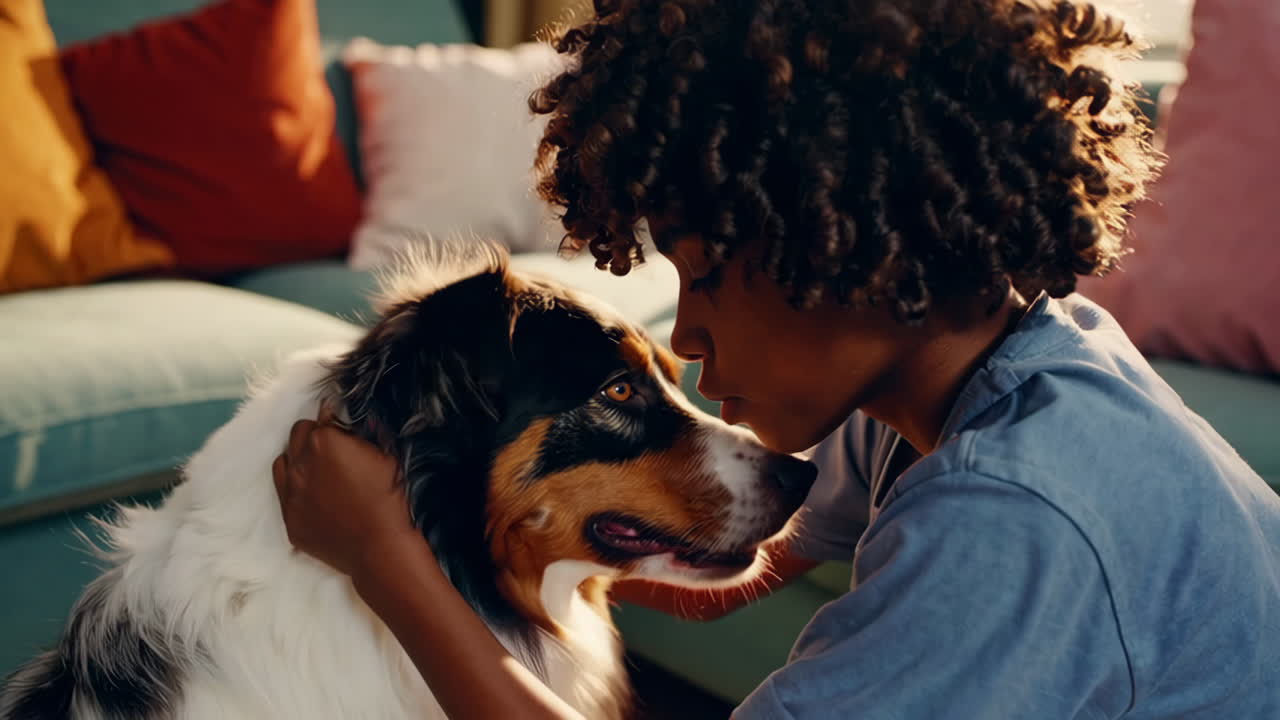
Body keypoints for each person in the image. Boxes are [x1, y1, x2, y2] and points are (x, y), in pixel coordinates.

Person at [271, 0, 1280, 717]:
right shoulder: (1002, 367)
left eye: (705, 275)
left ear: (849, 249)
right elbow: (734, 553)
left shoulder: (1012, 518)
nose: (686, 333)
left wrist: (388, 565)